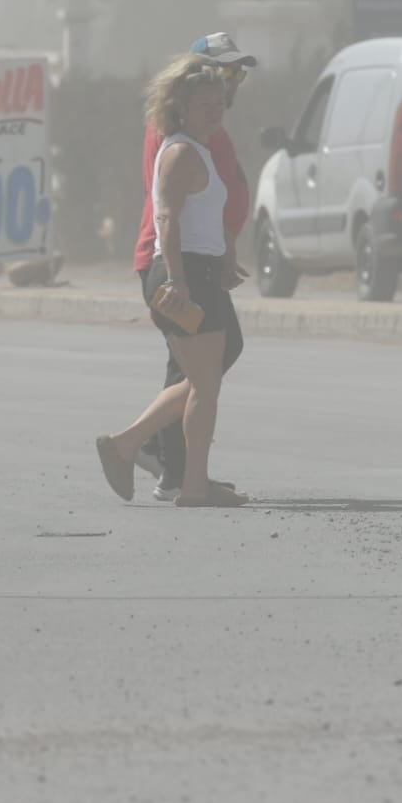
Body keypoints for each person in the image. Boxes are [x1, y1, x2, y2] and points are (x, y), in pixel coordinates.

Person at [95, 54, 248, 508]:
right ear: (181, 107)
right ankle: (185, 480)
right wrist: (179, 279)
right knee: (204, 383)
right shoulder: (180, 150)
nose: (214, 111)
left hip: (202, 270)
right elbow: (167, 217)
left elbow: (210, 216)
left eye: (218, 102)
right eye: (204, 104)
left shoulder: (199, 147)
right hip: (184, 273)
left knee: (203, 379)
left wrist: (225, 258)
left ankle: (135, 449)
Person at [132, 33, 256, 501]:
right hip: (175, 259)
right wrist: (180, 274)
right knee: (196, 368)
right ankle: (169, 465)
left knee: (206, 361)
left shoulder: (209, 131)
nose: (231, 85)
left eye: (237, 74)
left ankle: (162, 455)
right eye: (224, 72)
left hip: (197, 258)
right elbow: (170, 206)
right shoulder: (180, 135)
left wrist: (225, 249)